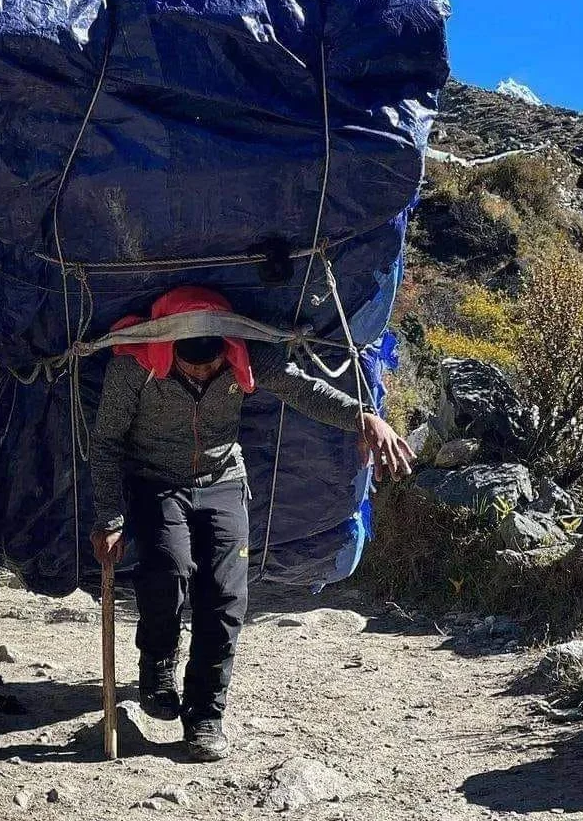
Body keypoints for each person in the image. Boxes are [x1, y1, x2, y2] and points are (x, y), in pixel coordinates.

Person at [88, 286, 414, 762]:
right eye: (191, 365)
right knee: (168, 569)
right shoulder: (133, 366)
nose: (203, 372)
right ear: (169, 349)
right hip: (156, 481)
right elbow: (107, 442)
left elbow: (303, 388)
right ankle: (157, 661)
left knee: (225, 596)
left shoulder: (241, 358)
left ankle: (205, 716)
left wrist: (365, 418)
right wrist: (110, 517)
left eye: (211, 365)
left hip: (222, 479)